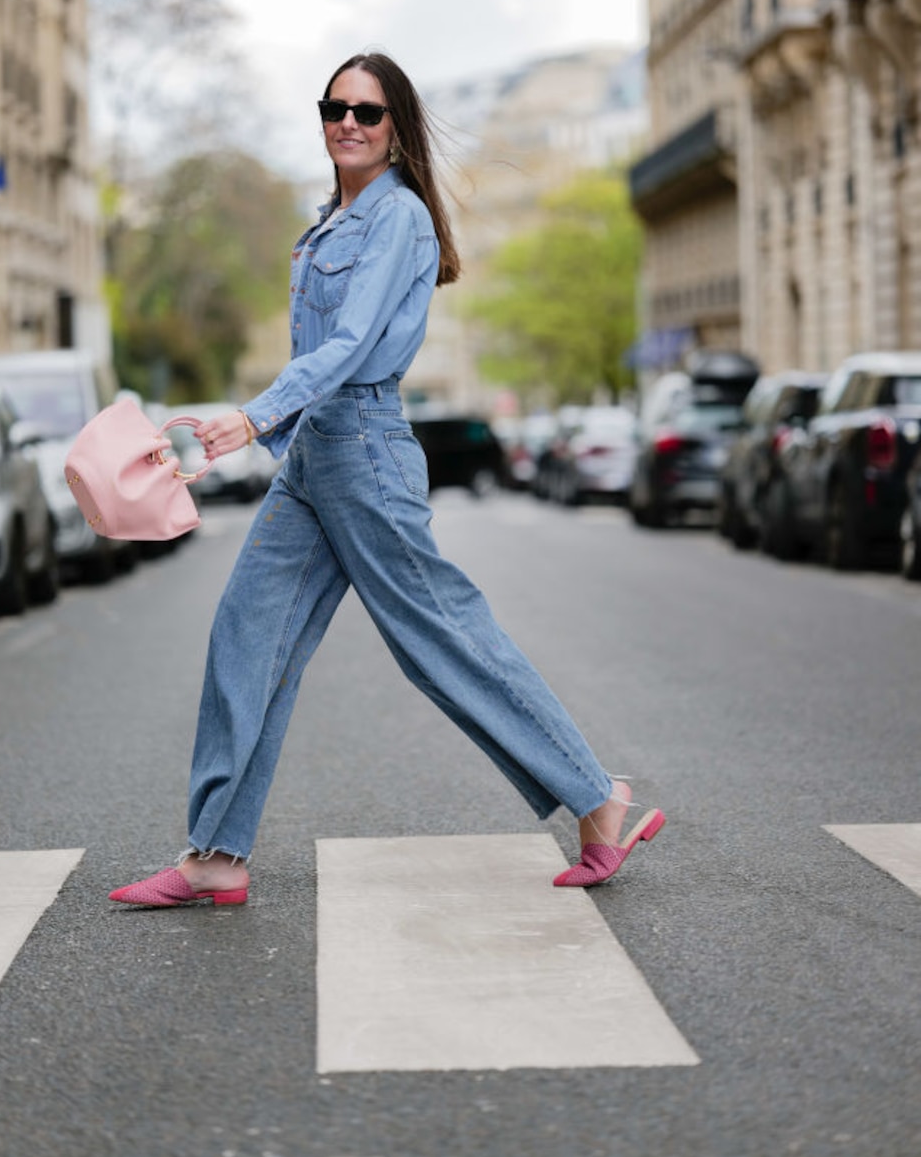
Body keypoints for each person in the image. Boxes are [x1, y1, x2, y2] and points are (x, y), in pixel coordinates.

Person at [109, 52, 664, 909]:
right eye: (335, 107)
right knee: (245, 636)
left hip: (365, 449)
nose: (349, 123)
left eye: (368, 112)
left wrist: (252, 415)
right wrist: (275, 435)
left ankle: (597, 797)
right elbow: (317, 358)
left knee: (438, 641)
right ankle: (217, 850)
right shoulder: (330, 220)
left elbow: (353, 344)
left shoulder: (397, 217)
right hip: (314, 458)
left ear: (394, 126)